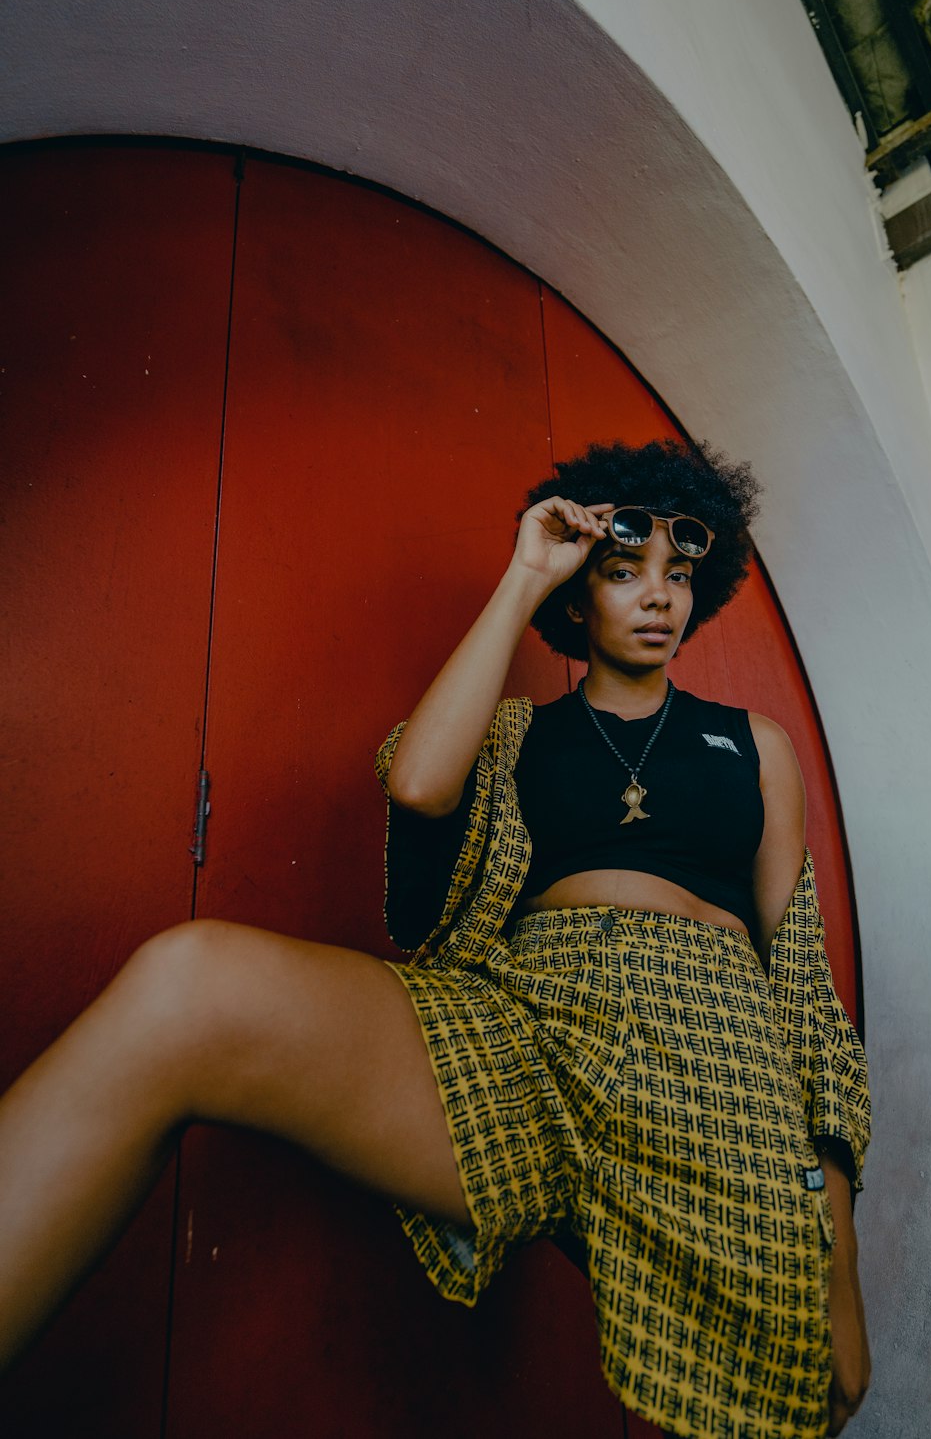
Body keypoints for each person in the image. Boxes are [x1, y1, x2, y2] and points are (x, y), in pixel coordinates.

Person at [0, 438, 870, 1438]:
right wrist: (526, 569)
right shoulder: (510, 738)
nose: (657, 595)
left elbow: (799, 993)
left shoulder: (751, 745)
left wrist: (835, 1254)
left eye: (679, 572)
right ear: (577, 598)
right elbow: (417, 785)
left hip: (722, 1080)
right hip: (531, 1041)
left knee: (788, 1401)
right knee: (186, 984)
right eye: (623, 570)